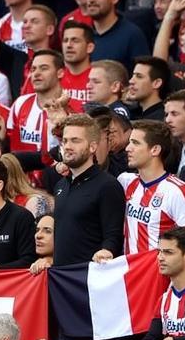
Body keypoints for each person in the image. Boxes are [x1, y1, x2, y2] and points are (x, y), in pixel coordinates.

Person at [38, 114, 125, 272]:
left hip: (90, 280)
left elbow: (114, 236)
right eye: (65, 141)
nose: (68, 146)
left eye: (75, 140)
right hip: (61, 279)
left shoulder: (108, 186)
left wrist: (107, 251)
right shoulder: (60, 185)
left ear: (92, 147)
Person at [119, 120, 185, 254]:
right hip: (130, 271)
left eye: (135, 143)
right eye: (129, 142)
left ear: (155, 150)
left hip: (159, 272)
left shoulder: (177, 191)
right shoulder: (125, 182)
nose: (128, 148)